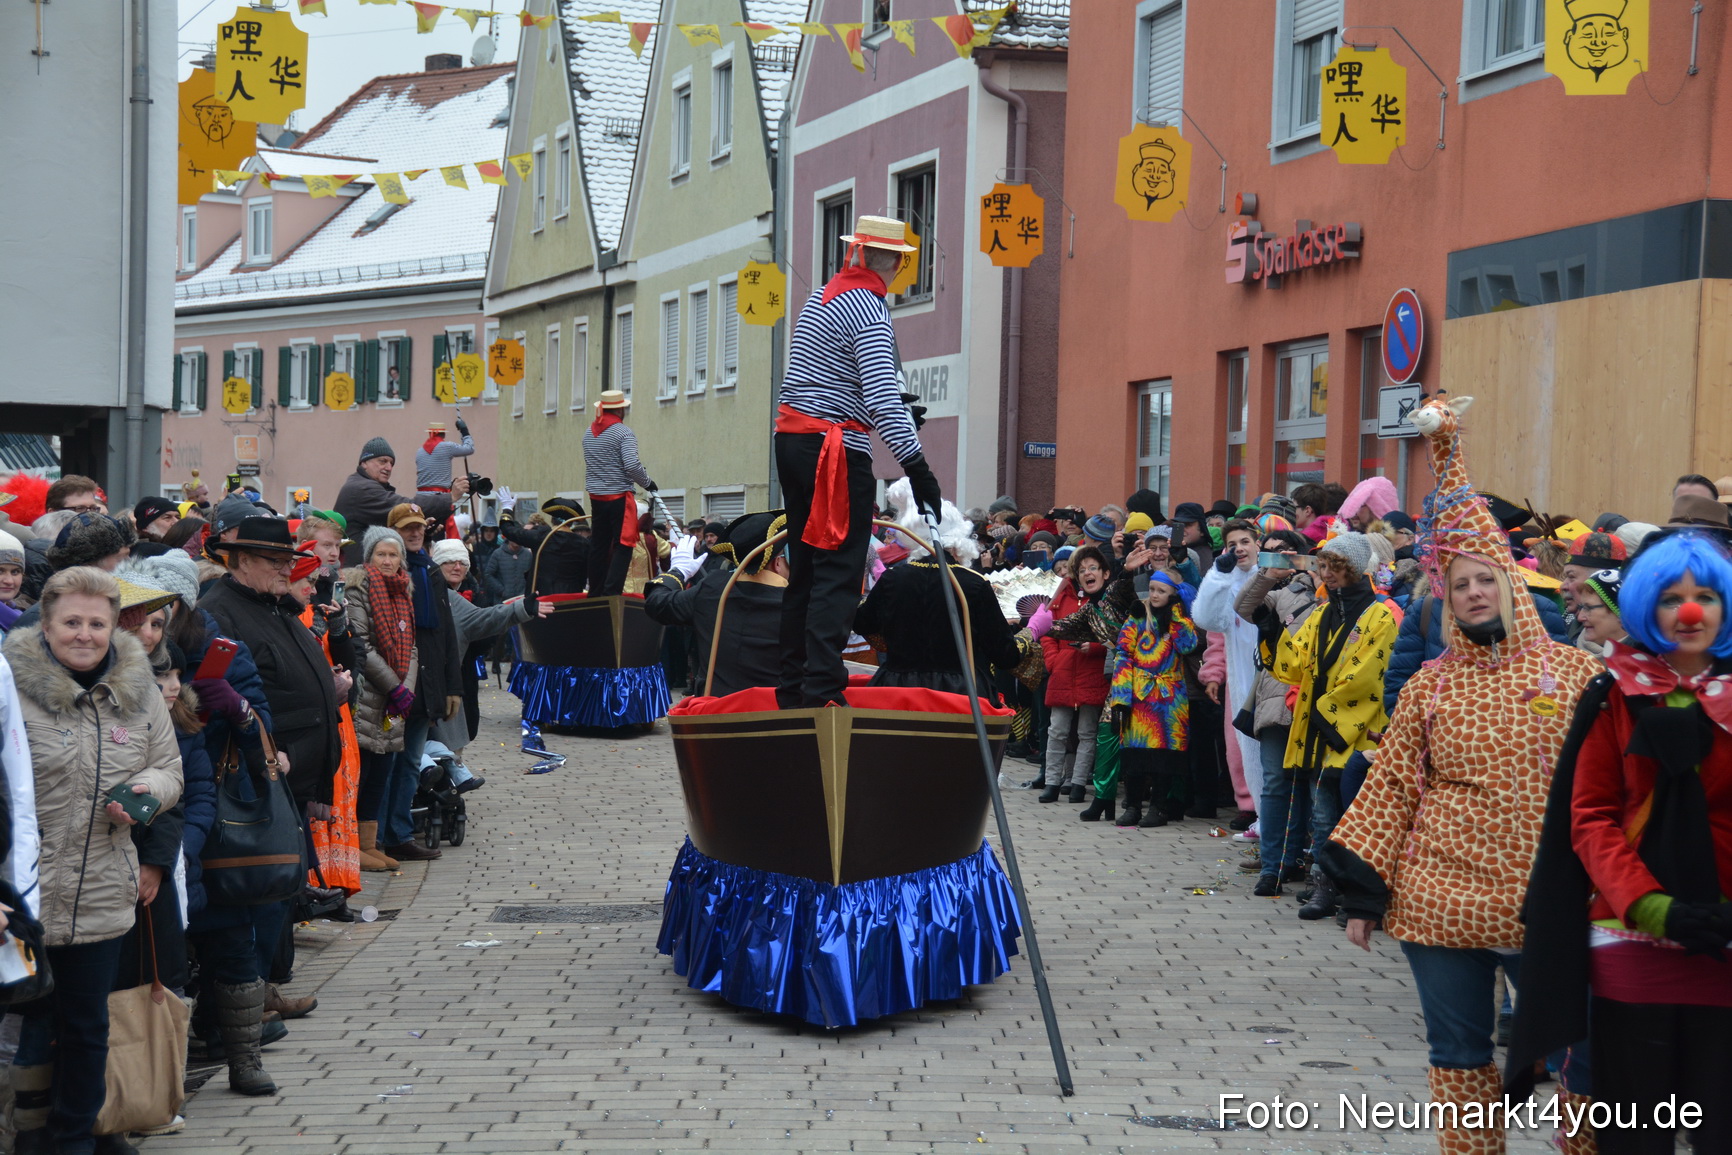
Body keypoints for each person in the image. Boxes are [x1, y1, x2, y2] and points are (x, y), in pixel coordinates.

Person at [1319, 395, 1604, 1155]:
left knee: (1586, 1070)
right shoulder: (1430, 685)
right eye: (1461, 582)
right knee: (1460, 1061)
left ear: (1511, 581)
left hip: (1552, 906)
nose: (1476, 591)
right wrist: (1362, 892)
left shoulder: (1577, 674)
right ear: (1447, 596)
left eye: (1487, 578)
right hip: (1442, 905)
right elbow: (1390, 790)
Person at [1509, 530, 1732, 1153]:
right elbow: (1591, 817)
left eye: (1705, 596)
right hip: (1632, 946)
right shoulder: (1613, 693)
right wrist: (1650, 905)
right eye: (1670, 599)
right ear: (1644, 608)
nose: (1689, 613)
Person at [4, 567, 184, 1150]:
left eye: (97, 624)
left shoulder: (140, 691)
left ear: (114, 627)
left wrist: (145, 795)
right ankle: (26, 1135)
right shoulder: (10, 688)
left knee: (86, 1027)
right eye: (71, 622)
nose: (84, 634)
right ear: (46, 624)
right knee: (30, 1023)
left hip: (103, 887)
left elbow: (170, 768)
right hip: (21, 893)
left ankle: (74, 1138)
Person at [775, 214, 941, 709]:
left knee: (806, 569)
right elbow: (882, 395)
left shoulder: (823, 297)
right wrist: (918, 466)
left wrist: (888, 410)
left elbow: (834, 385)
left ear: (856, 253)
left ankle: (793, 686)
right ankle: (824, 689)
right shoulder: (869, 307)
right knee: (839, 570)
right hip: (834, 450)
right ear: (890, 261)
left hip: (795, 441)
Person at [1269, 533, 1398, 921]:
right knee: (1323, 814)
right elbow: (1292, 663)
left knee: (1356, 815)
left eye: (1334, 566)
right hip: (1319, 728)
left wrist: (1327, 714)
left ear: (1354, 568)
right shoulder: (1322, 613)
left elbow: (1368, 676)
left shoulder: (1381, 616)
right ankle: (1324, 885)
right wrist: (1268, 627)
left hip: (1354, 730)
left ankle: (1355, 891)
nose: (1327, 573)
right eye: (1323, 566)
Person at [853, 482, 1042, 703]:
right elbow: (1005, 654)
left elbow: (862, 623)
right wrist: (1032, 631)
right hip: (960, 695)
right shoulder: (973, 583)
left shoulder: (893, 579)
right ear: (958, 544)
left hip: (898, 692)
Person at [1234, 528, 1324, 895]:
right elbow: (1243, 607)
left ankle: (1316, 868)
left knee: (1318, 788)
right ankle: (1272, 868)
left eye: (1284, 552)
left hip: (1321, 702)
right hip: (1277, 699)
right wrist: (1266, 574)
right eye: (1269, 553)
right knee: (1275, 785)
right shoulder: (1278, 594)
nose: (1277, 558)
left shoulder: (1335, 594)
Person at [376, 504, 461, 863]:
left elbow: (444, 633)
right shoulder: (386, 571)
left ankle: (398, 834)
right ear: (392, 531)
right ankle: (374, 836)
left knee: (411, 761)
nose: (414, 534)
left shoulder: (430, 571)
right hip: (391, 694)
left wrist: (451, 686)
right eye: (406, 529)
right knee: (384, 760)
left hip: (423, 691)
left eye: (418, 529)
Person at [429, 536, 546, 769]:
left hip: (464, 672)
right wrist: (520, 608)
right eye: (449, 562)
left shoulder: (470, 589)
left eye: (461, 562)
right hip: (440, 679)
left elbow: (484, 624)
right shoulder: (439, 595)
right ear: (437, 565)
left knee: (462, 730)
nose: (457, 567)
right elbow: (486, 618)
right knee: (444, 739)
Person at [644, 511, 789, 698]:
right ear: (777, 562)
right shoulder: (799, 604)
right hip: (779, 717)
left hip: (716, 718)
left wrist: (678, 572)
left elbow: (658, 603)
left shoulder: (712, 589)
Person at [286, 550, 362, 902]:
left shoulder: (325, 606)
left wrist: (339, 629)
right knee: (319, 807)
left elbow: (351, 661)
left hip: (340, 715)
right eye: (309, 580)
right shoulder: (287, 614)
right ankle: (319, 882)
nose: (314, 587)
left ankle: (340, 882)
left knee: (342, 800)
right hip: (316, 715)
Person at [344, 528, 416, 873]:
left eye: (394, 554)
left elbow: (412, 646)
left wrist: (406, 689)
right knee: (364, 769)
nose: (388, 561)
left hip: (394, 699)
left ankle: (369, 845)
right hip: (370, 693)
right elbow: (362, 644)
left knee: (381, 772)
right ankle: (352, 845)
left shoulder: (404, 591)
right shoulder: (357, 587)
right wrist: (393, 687)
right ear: (369, 557)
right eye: (381, 554)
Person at [1106, 572, 1199, 828]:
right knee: (1134, 754)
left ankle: (1159, 807)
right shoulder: (1137, 617)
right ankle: (1133, 806)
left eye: (1161, 591)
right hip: (1139, 695)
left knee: (1164, 756)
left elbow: (1189, 645)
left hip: (1170, 698)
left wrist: (1178, 614)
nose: (1155, 595)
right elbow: (1123, 655)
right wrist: (1121, 698)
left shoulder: (1179, 620)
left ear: (1172, 594)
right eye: (1152, 589)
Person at [1192, 519, 1265, 829]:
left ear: (1257, 544)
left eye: (1245, 541)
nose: (1240, 548)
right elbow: (1210, 625)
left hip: (1271, 675)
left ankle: (1268, 806)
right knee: (1237, 744)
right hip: (1238, 677)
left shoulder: (1271, 577)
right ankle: (1247, 804)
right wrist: (1213, 673)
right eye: (1233, 544)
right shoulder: (1225, 582)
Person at [1038, 546, 1113, 804]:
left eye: (1092, 568)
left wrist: (1093, 647)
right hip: (1063, 673)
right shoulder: (1062, 598)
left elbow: (1116, 637)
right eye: (1082, 569)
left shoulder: (1107, 601)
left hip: (1092, 674)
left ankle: (1079, 783)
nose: (1087, 573)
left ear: (1104, 572)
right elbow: (1047, 631)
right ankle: (1051, 782)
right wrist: (1053, 661)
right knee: (1057, 730)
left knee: (1086, 732)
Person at [583, 392, 655, 597]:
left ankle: (595, 592)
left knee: (599, 544)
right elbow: (632, 465)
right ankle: (611, 592)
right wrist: (648, 483)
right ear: (620, 409)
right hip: (618, 497)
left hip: (596, 497)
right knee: (624, 544)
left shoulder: (588, 433)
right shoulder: (624, 433)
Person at [333, 438, 402, 564]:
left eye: (391, 463)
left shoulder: (364, 485)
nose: (389, 467)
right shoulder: (362, 488)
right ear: (364, 463)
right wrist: (447, 500)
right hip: (356, 574)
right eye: (383, 461)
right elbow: (404, 507)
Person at [415, 418, 475, 497]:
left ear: (430, 433)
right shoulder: (447, 447)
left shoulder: (420, 451)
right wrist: (464, 431)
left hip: (420, 497)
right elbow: (469, 448)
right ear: (444, 434)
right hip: (439, 497)